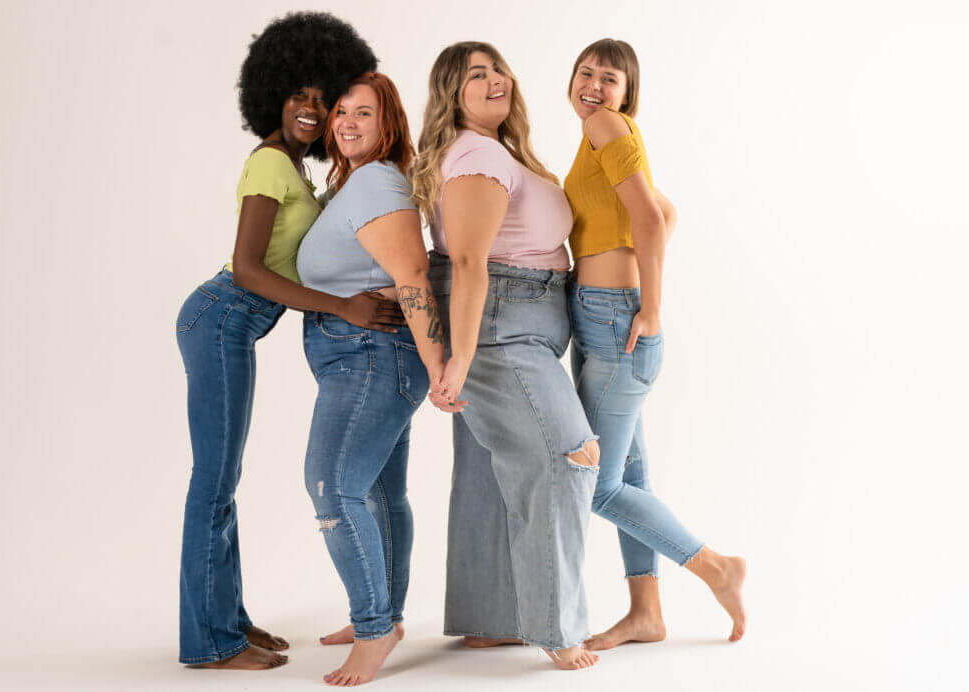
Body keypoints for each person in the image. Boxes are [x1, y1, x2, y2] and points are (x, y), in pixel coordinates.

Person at [174, 13, 390, 670]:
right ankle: (212, 643)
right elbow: (249, 269)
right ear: (273, 96)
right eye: (298, 95)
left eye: (322, 100)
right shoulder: (271, 162)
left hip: (233, 326)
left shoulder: (295, 169)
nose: (310, 108)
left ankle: (229, 620)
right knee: (213, 482)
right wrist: (341, 308)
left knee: (224, 479)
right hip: (220, 317)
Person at [411, 41, 600, 670]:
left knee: (493, 467)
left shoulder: (497, 152)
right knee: (565, 454)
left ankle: (490, 619)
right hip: (501, 324)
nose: (496, 81)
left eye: (498, 70)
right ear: (451, 95)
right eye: (476, 75)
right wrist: (457, 359)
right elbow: (467, 261)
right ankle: (558, 626)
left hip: (522, 318)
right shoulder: (476, 155)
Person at [563, 38, 747, 648]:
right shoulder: (600, 137)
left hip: (620, 324)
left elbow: (648, 220)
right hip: (600, 320)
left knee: (597, 485)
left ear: (626, 93)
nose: (592, 85)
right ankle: (646, 613)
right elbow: (665, 213)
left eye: (608, 78)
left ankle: (717, 568)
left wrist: (652, 306)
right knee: (630, 481)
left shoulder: (610, 126)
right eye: (584, 73)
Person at [296, 72, 445, 686]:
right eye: (340, 112)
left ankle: (375, 626)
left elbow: (412, 273)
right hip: (366, 354)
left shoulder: (378, 181)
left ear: (389, 126)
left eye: (364, 112)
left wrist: (440, 368)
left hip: (371, 355)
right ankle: (383, 619)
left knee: (333, 488)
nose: (348, 122)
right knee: (381, 491)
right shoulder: (359, 184)